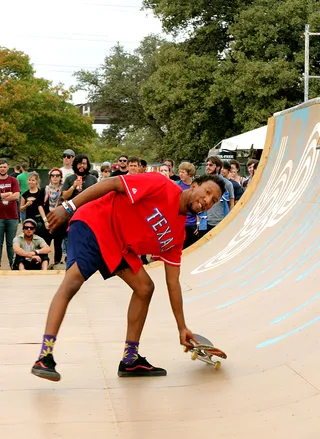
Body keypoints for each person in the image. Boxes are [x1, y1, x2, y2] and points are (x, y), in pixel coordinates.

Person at [31, 172, 224, 381]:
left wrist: (182, 327)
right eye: (207, 193)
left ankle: (130, 359)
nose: (207, 201)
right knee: (73, 282)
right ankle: (45, 356)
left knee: (145, 288)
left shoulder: (177, 235)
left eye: (213, 201)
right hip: (96, 222)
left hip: (119, 245)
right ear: (194, 186)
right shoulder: (161, 185)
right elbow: (113, 183)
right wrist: (69, 207)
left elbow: (173, 282)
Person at [0, 158, 20, 268]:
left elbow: (16, 195)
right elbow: (12, 194)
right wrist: (7, 194)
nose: (2, 169)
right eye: (0, 167)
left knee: (10, 243)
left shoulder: (13, 180)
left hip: (12, 217)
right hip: (0, 217)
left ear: (8, 167)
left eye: (4, 167)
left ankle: (13, 265)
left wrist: (2, 197)